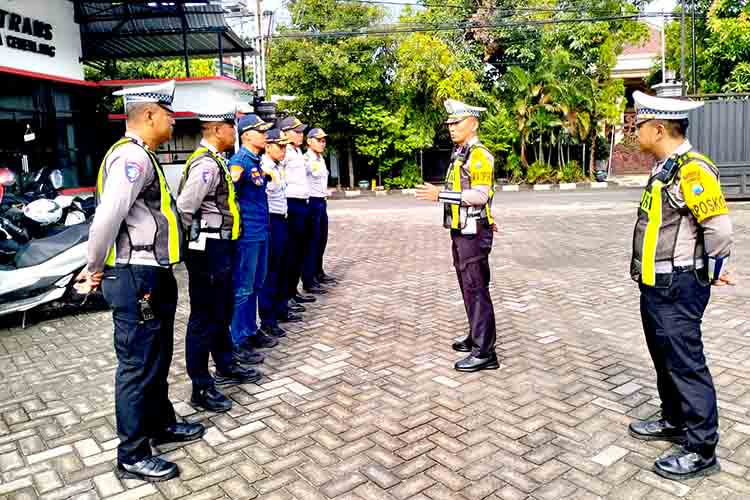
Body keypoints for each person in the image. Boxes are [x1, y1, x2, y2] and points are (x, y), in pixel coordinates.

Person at [75, 80, 204, 481]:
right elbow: (109, 215)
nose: (173, 121)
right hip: (135, 276)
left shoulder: (143, 154)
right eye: (168, 114)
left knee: (157, 357)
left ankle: (160, 423)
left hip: (152, 272)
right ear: (149, 115)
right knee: (137, 365)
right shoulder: (131, 157)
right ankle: (132, 453)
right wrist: (93, 265)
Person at [627, 91, 734, 481]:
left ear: (658, 129)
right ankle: (673, 419)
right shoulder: (665, 167)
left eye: (639, 125)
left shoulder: (693, 170)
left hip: (679, 285)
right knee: (664, 357)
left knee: (686, 364)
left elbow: (718, 228)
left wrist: (712, 269)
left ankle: (701, 448)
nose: (635, 131)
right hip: (656, 284)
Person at [176, 105, 262, 413]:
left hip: (222, 247)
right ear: (216, 130)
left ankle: (226, 364)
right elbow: (184, 209)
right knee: (204, 317)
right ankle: (201, 386)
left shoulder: (217, 161)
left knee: (222, 310)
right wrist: (189, 250)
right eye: (230, 128)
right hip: (208, 250)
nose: (233, 134)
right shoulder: (205, 165)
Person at [415, 99, 499, 373]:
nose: (451, 127)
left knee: (476, 288)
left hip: (473, 233)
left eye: (457, 122)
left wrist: (440, 194)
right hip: (462, 229)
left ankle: (485, 352)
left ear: (473, 124)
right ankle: (476, 336)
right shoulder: (461, 152)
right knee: (468, 286)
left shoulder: (479, 155)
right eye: (449, 123)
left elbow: (481, 195)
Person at [228, 114, 279, 364]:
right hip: (247, 234)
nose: (265, 135)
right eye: (261, 132)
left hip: (261, 231)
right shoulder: (239, 163)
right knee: (243, 289)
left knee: (256, 285)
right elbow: (231, 198)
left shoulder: (254, 161)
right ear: (247, 135)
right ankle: (238, 339)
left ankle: (250, 330)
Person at [279, 116, 318, 318]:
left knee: (300, 251)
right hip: (291, 204)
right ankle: (286, 296)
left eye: (302, 131)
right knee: (291, 253)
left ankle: (293, 291)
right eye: (297, 131)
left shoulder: (296, 151)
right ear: (285, 133)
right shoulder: (283, 152)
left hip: (302, 203)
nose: (301, 135)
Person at [258, 128, 294, 337]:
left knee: (282, 267)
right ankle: (268, 319)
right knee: (270, 272)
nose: (283, 150)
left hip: (282, 219)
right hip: (271, 221)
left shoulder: (278, 167)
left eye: (285, 147)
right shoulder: (264, 168)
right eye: (280, 146)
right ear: (268, 146)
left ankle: (281, 309)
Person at [302, 128, 336, 291]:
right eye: (319, 140)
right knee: (312, 242)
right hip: (312, 202)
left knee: (322, 239)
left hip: (322, 201)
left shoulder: (320, 158)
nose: (322, 143)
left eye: (324, 141)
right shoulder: (305, 159)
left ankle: (318, 272)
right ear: (309, 141)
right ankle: (309, 279)